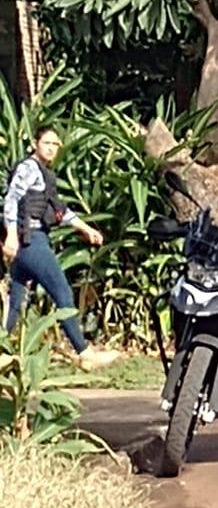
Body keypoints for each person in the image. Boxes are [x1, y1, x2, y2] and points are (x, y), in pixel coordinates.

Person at [4, 125, 117, 369]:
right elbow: (11, 200)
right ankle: (84, 353)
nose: (51, 148)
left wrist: (86, 229)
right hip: (30, 240)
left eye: (55, 144)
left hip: (32, 239)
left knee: (16, 301)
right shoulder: (28, 168)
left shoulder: (44, 174)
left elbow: (59, 210)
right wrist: (11, 236)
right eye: (47, 143)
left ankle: (1, 350)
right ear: (34, 144)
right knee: (62, 293)